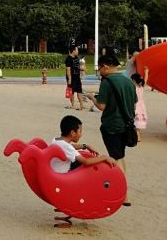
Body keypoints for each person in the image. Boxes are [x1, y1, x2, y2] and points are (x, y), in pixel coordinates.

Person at [85, 53, 137, 206]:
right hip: (126, 126)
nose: (99, 71)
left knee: (116, 158)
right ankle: (122, 190)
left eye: (99, 68)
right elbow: (134, 105)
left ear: (106, 67)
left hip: (112, 126)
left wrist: (92, 98)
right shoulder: (128, 81)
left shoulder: (107, 82)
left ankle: (124, 194)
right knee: (120, 156)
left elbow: (102, 106)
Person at [51, 115, 116, 173]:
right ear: (73, 133)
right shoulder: (67, 147)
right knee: (88, 168)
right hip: (62, 175)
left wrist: (85, 146)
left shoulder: (56, 140)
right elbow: (86, 162)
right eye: (80, 132)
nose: (81, 134)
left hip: (55, 170)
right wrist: (104, 157)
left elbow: (68, 147)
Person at [64, 45, 84, 111]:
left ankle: (82, 104)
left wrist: (82, 69)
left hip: (77, 77)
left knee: (79, 90)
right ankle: (73, 105)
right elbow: (68, 69)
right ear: (73, 51)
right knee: (71, 92)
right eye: (77, 50)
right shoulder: (68, 59)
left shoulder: (76, 57)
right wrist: (69, 79)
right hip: (71, 77)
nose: (78, 51)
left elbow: (77, 67)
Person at [131, 73, 148, 139]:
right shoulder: (141, 87)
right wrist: (146, 72)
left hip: (136, 105)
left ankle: (137, 136)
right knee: (139, 119)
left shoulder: (133, 88)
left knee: (135, 120)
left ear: (134, 81)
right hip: (141, 105)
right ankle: (137, 134)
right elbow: (145, 80)